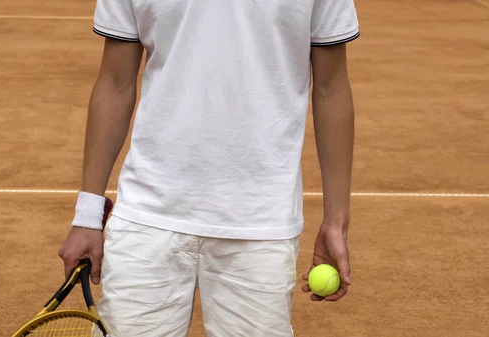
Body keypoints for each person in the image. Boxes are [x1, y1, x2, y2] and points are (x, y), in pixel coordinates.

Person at [59, 0, 359, 336]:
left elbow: (331, 88)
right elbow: (115, 83)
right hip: (148, 217)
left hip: (260, 224)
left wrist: (337, 221)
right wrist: (87, 214)